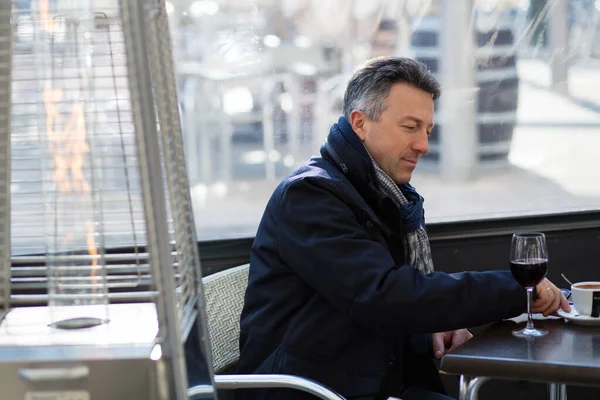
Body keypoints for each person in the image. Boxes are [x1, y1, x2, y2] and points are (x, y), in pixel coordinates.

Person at [236, 56, 570, 400]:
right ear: (360, 123)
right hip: (310, 390)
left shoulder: (385, 197)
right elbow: (385, 295)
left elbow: (367, 304)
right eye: (410, 127)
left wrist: (427, 330)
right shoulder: (310, 196)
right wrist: (517, 288)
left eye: (427, 131)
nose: (423, 145)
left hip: (367, 379)